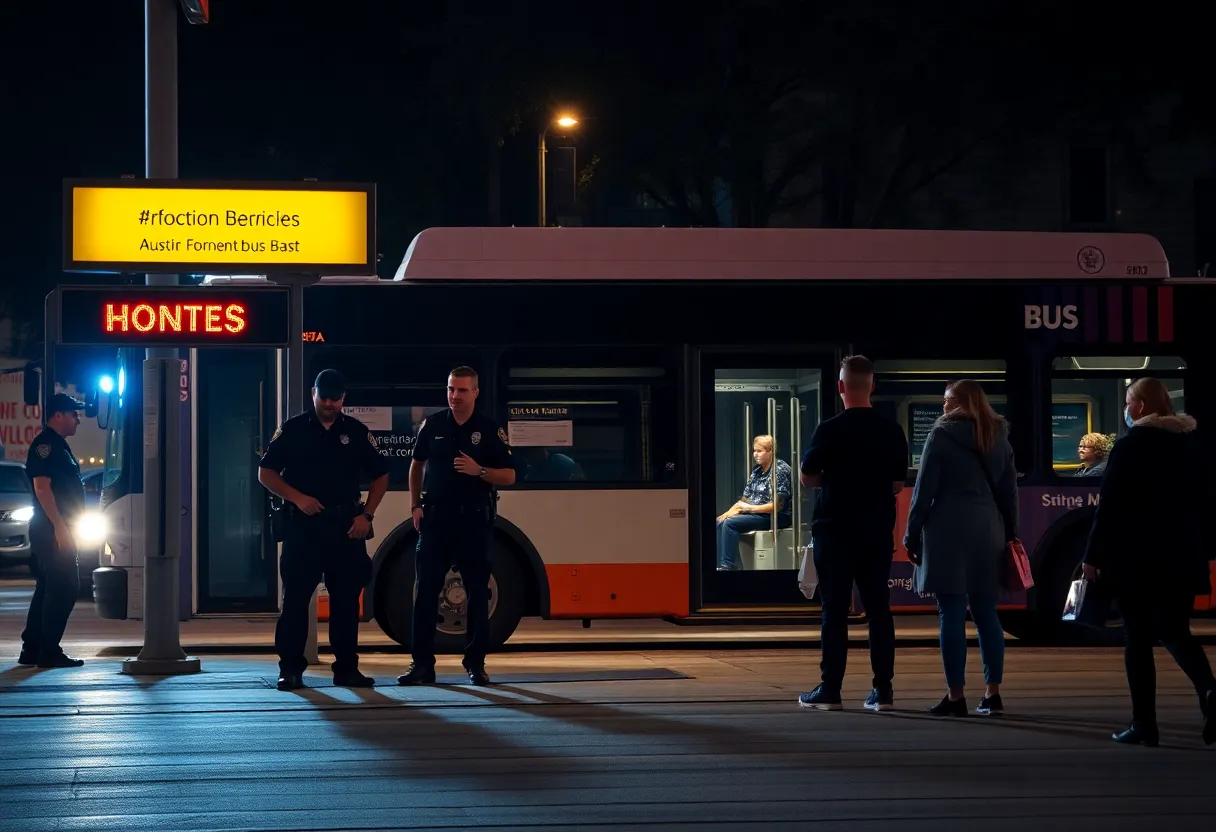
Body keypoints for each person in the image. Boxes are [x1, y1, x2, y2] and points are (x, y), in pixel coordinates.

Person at [1081, 377, 1215, 747]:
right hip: (1183, 556)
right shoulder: (1191, 446)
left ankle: (1145, 724)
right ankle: (1209, 691)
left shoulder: (1128, 448)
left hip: (1136, 559)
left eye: (1128, 401)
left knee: (1137, 639)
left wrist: (1092, 555)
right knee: (1176, 631)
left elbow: (1109, 508)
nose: (1126, 408)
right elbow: (1207, 503)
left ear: (1139, 407)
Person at [258, 369, 389, 691]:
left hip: (347, 527)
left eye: (336, 398)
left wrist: (367, 516)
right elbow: (266, 473)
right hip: (304, 526)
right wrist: (298, 498)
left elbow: (381, 476)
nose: (329, 404)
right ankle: (290, 669)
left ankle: (347, 669)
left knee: (345, 603)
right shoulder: (293, 430)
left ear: (344, 398)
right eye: (324, 397)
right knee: (296, 601)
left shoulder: (356, 432)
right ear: (313, 394)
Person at [797, 356, 909, 712]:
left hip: (834, 530)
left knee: (834, 609)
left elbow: (807, 477)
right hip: (875, 531)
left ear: (841, 387)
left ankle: (830, 689)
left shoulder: (829, 429)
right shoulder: (891, 430)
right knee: (878, 609)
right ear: (872, 386)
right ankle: (883, 691)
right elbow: (897, 483)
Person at [904, 379, 1017, 717]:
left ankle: (955, 696)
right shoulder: (999, 436)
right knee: (986, 614)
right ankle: (993, 694)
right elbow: (1009, 495)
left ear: (958, 402)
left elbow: (924, 491)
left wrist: (911, 534)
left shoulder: (941, 434)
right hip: (989, 531)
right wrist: (1012, 534)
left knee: (950, 613)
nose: (942, 407)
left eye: (946, 400)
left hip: (947, 532)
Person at [398, 366, 516, 687]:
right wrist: (415, 505)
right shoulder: (433, 425)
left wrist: (480, 471)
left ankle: (475, 664)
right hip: (436, 520)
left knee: (477, 593)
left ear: (475, 392)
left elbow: (509, 475)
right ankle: (422, 665)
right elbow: (416, 464)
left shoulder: (490, 430)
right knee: (425, 593)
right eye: (451, 389)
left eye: (462, 390)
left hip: (474, 521)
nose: (454, 396)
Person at [18, 393, 87, 668]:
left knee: (48, 586)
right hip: (52, 528)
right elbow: (42, 487)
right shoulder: (45, 445)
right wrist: (60, 527)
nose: (78, 419)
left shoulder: (57, 445)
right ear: (58, 415)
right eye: (74, 414)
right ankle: (48, 651)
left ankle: (32, 649)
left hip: (54, 526)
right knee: (66, 586)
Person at [715, 434, 793, 570]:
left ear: (771, 451)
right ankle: (730, 564)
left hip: (776, 516)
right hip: (758, 514)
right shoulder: (757, 471)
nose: (755, 455)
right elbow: (744, 499)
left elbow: (777, 506)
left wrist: (747, 509)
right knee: (721, 521)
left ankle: (727, 565)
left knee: (730, 524)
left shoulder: (780, 469)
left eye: (759, 451)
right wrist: (728, 512)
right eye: (754, 451)